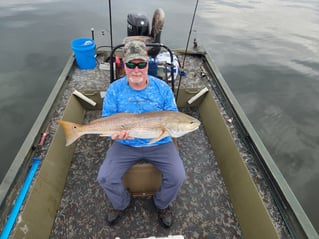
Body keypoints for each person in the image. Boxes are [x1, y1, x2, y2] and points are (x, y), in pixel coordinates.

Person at [97, 40, 186, 228]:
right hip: (126, 144)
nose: (136, 70)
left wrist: (171, 130)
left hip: (160, 142)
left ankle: (161, 203)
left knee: (178, 175)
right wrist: (115, 135)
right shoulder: (114, 89)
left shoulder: (163, 89)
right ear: (125, 66)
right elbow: (107, 119)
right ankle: (121, 203)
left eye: (141, 64)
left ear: (148, 64)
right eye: (130, 64)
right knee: (105, 177)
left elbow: (173, 116)